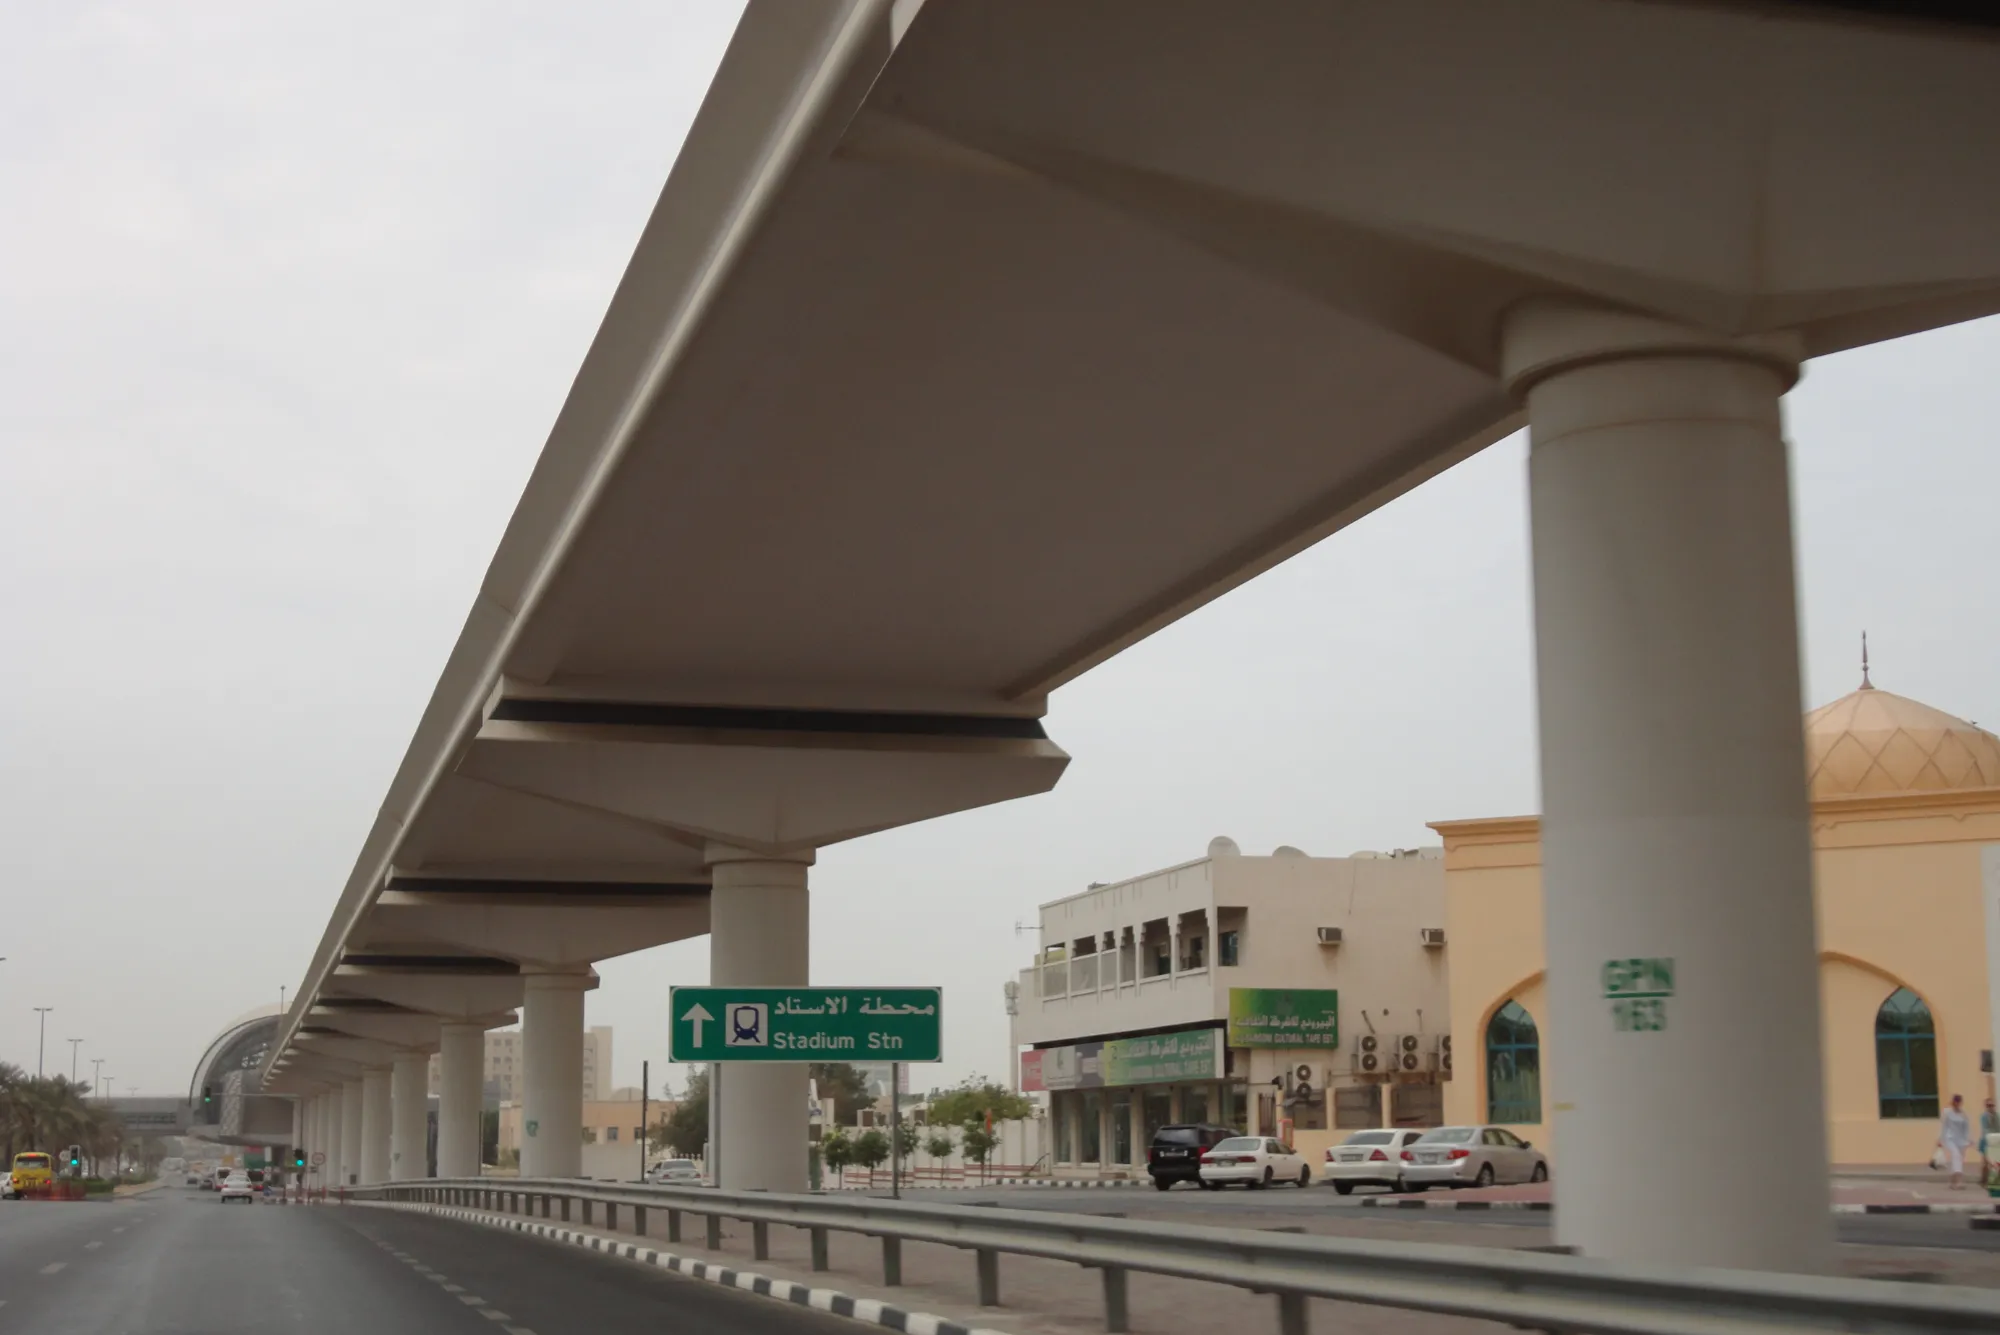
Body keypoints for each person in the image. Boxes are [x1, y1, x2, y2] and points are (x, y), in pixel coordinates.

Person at [1937, 1093, 1973, 1190]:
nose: (1957, 1104)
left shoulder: (1963, 1114)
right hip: (1950, 1138)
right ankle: (1959, 1182)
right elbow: (1943, 1126)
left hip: (1961, 1140)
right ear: (1953, 1102)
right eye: (1956, 1102)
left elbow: (1966, 1128)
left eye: (1959, 1102)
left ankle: (1953, 1182)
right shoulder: (1947, 1112)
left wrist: (1969, 1140)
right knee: (1956, 1156)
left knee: (1958, 1160)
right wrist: (1940, 1139)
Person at [1981, 1097, 1999, 1188]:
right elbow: (1985, 1129)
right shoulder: (1984, 1116)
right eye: (1988, 1105)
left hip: (1995, 1141)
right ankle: (1984, 1181)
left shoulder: (1997, 1116)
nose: (1990, 1107)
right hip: (1986, 1141)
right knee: (1986, 1162)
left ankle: (1993, 1181)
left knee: (1995, 1162)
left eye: (1992, 1105)